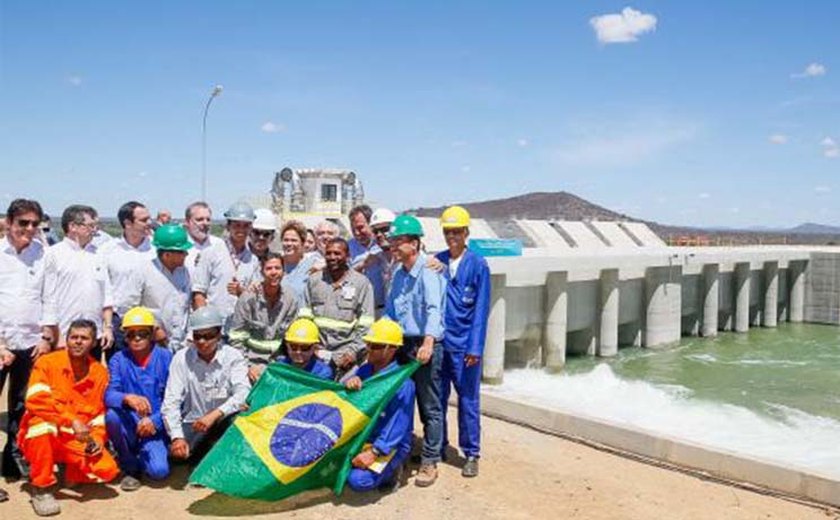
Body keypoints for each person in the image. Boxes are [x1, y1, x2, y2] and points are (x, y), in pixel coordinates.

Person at [18, 319, 120, 517]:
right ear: (67, 339)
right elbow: (35, 401)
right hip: (44, 433)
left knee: (107, 470)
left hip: (76, 438)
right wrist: (70, 420)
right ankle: (41, 487)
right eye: (74, 337)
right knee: (42, 427)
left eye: (84, 338)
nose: (78, 342)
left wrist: (97, 439)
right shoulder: (47, 362)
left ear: (93, 343)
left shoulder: (99, 373)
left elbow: (99, 415)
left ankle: (70, 469)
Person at [385, 214, 446, 487]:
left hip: (426, 343)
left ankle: (430, 460)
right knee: (403, 402)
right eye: (393, 241)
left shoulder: (429, 271)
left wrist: (429, 343)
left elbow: (434, 309)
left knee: (429, 405)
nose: (394, 246)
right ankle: (403, 454)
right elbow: (390, 312)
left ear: (415, 243)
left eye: (398, 241)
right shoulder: (398, 275)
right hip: (404, 345)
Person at [435, 206, 490, 477]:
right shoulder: (438, 261)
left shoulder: (478, 264)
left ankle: (471, 453)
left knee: (468, 400)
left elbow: (481, 308)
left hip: (465, 347)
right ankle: (439, 445)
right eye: (448, 231)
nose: (452, 236)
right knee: (437, 399)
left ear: (466, 232)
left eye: (457, 231)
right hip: (440, 344)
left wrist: (475, 347)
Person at [0, 199, 52, 481]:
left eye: (35, 223)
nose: (30, 229)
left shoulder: (42, 255)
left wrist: (46, 336)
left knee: (22, 407)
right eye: (23, 223)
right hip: (1, 345)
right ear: (9, 222)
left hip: (32, 346)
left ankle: (12, 462)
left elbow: (49, 298)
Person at [162, 306, 250, 463]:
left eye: (208, 336)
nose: (202, 342)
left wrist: (215, 414)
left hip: (224, 419)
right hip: (194, 422)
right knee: (179, 456)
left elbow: (243, 393)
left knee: (239, 420)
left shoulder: (233, 356)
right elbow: (171, 401)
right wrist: (177, 437)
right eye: (197, 336)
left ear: (219, 334)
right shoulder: (181, 358)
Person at [105, 307, 173, 490]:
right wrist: (127, 397)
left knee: (159, 472)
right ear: (125, 337)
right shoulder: (118, 359)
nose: (136, 338)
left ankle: (151, 450)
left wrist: (155, 420)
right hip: (130, 420)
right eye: (130, 334)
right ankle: (130, 467)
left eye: (142, 333)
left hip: (157, 423)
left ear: (151, 334)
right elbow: (109, 394)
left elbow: (176, 399)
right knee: (112, 416)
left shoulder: (166, 357)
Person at [343, 318, 414, 493]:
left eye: (376, 346)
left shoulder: (403, 384)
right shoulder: (366, 370)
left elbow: (397, 425)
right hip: (364, 436)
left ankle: (394, 469)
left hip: (389, 443)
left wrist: (375, 452)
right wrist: (352, 383)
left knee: (358, 481)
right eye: (368, 344)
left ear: (392, 349)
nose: (369, 350)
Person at [41, 204, 115, 360]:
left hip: (94, 337)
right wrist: (57, 335)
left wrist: (108, 328)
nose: (95, 230)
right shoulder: (53, 255)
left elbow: (106, 295)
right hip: (63, 338)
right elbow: (48, 298)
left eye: (96, 226)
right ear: (72, 226)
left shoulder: (99, 255)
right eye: (90, 226)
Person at [298, 238, 375, 377]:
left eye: (337, 253)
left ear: (347, 256)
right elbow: (304, 318)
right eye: (328, 253)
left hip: (348, 358)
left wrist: (352, 352)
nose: (332, 257)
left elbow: (366, 325)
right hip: (316, 356)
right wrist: (310, 348)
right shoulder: (314, 281)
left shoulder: (361, 283)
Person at [229, 252, 298, 382]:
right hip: (250, 362)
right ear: (261, 272)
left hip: (278, 363)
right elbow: (237, 339)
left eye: (277, 268)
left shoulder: (291, 298)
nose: (274, 273)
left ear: (283, 271)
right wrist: (247, 366)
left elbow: (291, 337)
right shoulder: (248, 299)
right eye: (269, 268)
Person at [192, 201, 261, 331]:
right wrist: (205, 325)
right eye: (237, 225)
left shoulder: (253, 260)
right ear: (228, 226)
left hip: (240, 328)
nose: (241, 229)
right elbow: (199, 294)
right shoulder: (210, 253)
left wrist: (241, 291)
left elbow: (255, 297)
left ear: (251, 228)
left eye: (246, 225)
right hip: (213, 327)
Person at [123, 225, 193, 352]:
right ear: (166, 254)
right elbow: (127, 307)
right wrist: (153, 328)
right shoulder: (143, 271)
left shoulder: (184, 273)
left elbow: (188, 307)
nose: (186, 254)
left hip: (180, 344)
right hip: (151, 345)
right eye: (182, 251)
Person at [101, 201, 155, 360]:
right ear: (127, 223)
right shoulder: (107, 251)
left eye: (149, 219)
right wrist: (108, 326)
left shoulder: (156, 250)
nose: (149, 223)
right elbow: (103, 289)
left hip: (150, 321)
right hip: (120, 323)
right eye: (143, 220)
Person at [348, 205, 388, 318]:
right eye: (353, 228)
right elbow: (342, 275)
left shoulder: (384, 243)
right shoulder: (347, 247)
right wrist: (362, 265)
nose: (356, 232)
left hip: (383, 310)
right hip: (357, 311)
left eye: (360, 228)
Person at [279, 220, 318, 305]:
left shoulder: (312, 263)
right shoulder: (276, 264)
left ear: (303, 243)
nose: (289, 243)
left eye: (294, 240)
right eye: (286, 240)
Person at [183, 201, 224, 278]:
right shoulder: (180, 246)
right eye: (199, 219)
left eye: (208, 219)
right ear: (187, 222)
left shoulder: (219, 244)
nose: (205, 223)